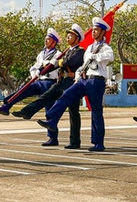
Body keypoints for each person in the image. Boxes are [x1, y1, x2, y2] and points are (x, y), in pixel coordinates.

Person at [38, 17, 113, 152]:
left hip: (97, 80)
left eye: (96, 30)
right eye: (93, 30)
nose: (94, 32)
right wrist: (78, 75)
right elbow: (84, 65)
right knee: (66, 95)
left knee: (96, 112)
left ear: (103, 32)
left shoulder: (105, 47)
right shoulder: (90, 47)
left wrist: (96, 57)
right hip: (84, 79)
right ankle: (52, 120)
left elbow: (110, 57)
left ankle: (98, 142)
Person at [13, 24, 85, 148]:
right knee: (46, 97)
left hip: (73, 83)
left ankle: (74, 141)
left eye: (71, 35)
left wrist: (59, 62)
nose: (68, 37)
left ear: (77, 38)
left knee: (73, 113)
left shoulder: (80, 51)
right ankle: (27, 112)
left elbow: (68, 62)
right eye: (67, 35)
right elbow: (55, 65)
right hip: (63, 81)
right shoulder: (66, 52)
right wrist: (41, 72)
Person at [0, 29, 61, 115]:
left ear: (54, 42)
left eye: (48, 39)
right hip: (39, 80)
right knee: (22, 90)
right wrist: (34, 73)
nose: (46, 41)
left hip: (49, 82)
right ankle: (6, 106)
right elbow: (35, 66)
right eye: (45, 39)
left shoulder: (58, 54)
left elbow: (50, 65)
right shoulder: (41, 54)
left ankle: (51, 125)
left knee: (48, 107)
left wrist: (41, 69)